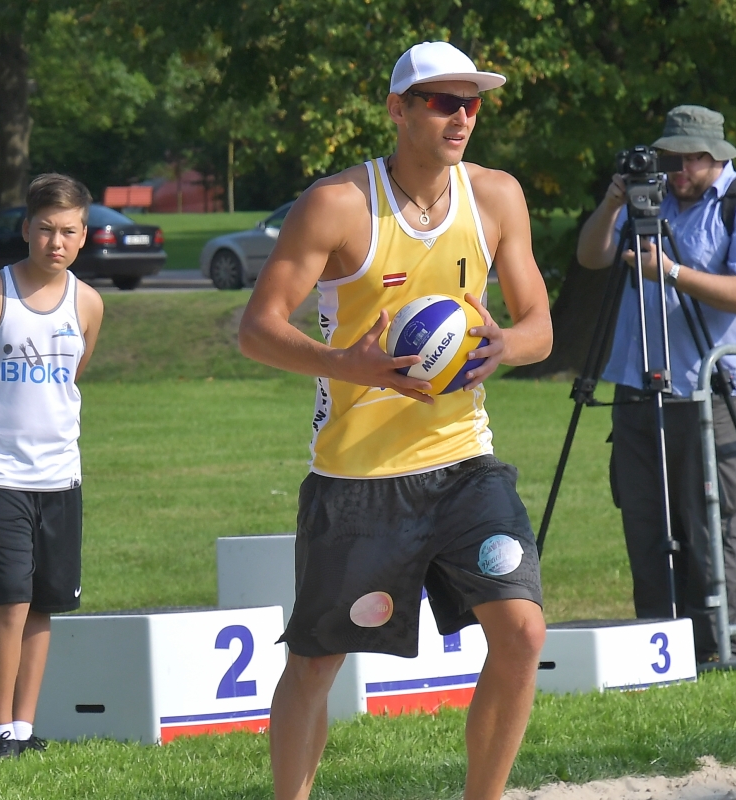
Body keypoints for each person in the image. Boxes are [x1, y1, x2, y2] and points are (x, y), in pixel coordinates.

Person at [238, 41, 552, 800]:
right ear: (398, 109)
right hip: (358, 476)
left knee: (522, 632)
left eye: (471, 103)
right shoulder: (339, 203)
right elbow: (256, 329)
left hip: (465, 461)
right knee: (316, 662)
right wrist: (347, 364)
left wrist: (506, 344)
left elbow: (541, 326)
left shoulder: (497, 196)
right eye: (443, 101)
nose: (461, 116)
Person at [575, 105, 736, 664]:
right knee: (645, 519)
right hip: (637, 385)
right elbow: (591, 256)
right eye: (669, 159)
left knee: (712, 519)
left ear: (715, 156)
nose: (677, 171)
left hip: (711, 390)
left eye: (688, 160)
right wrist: (614, 202)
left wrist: (669, 272)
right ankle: (657, 646)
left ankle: (716, 645)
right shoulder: (650, 201)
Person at [0, 173, 104, 757]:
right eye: (46, 229)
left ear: (84, 236)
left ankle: (24, 730)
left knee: (44, 603)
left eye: (69, 232)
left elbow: (70, 380)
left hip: (61, 476)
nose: (57, 242)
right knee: (9, 599)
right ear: (26, 229)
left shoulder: (88, 303)